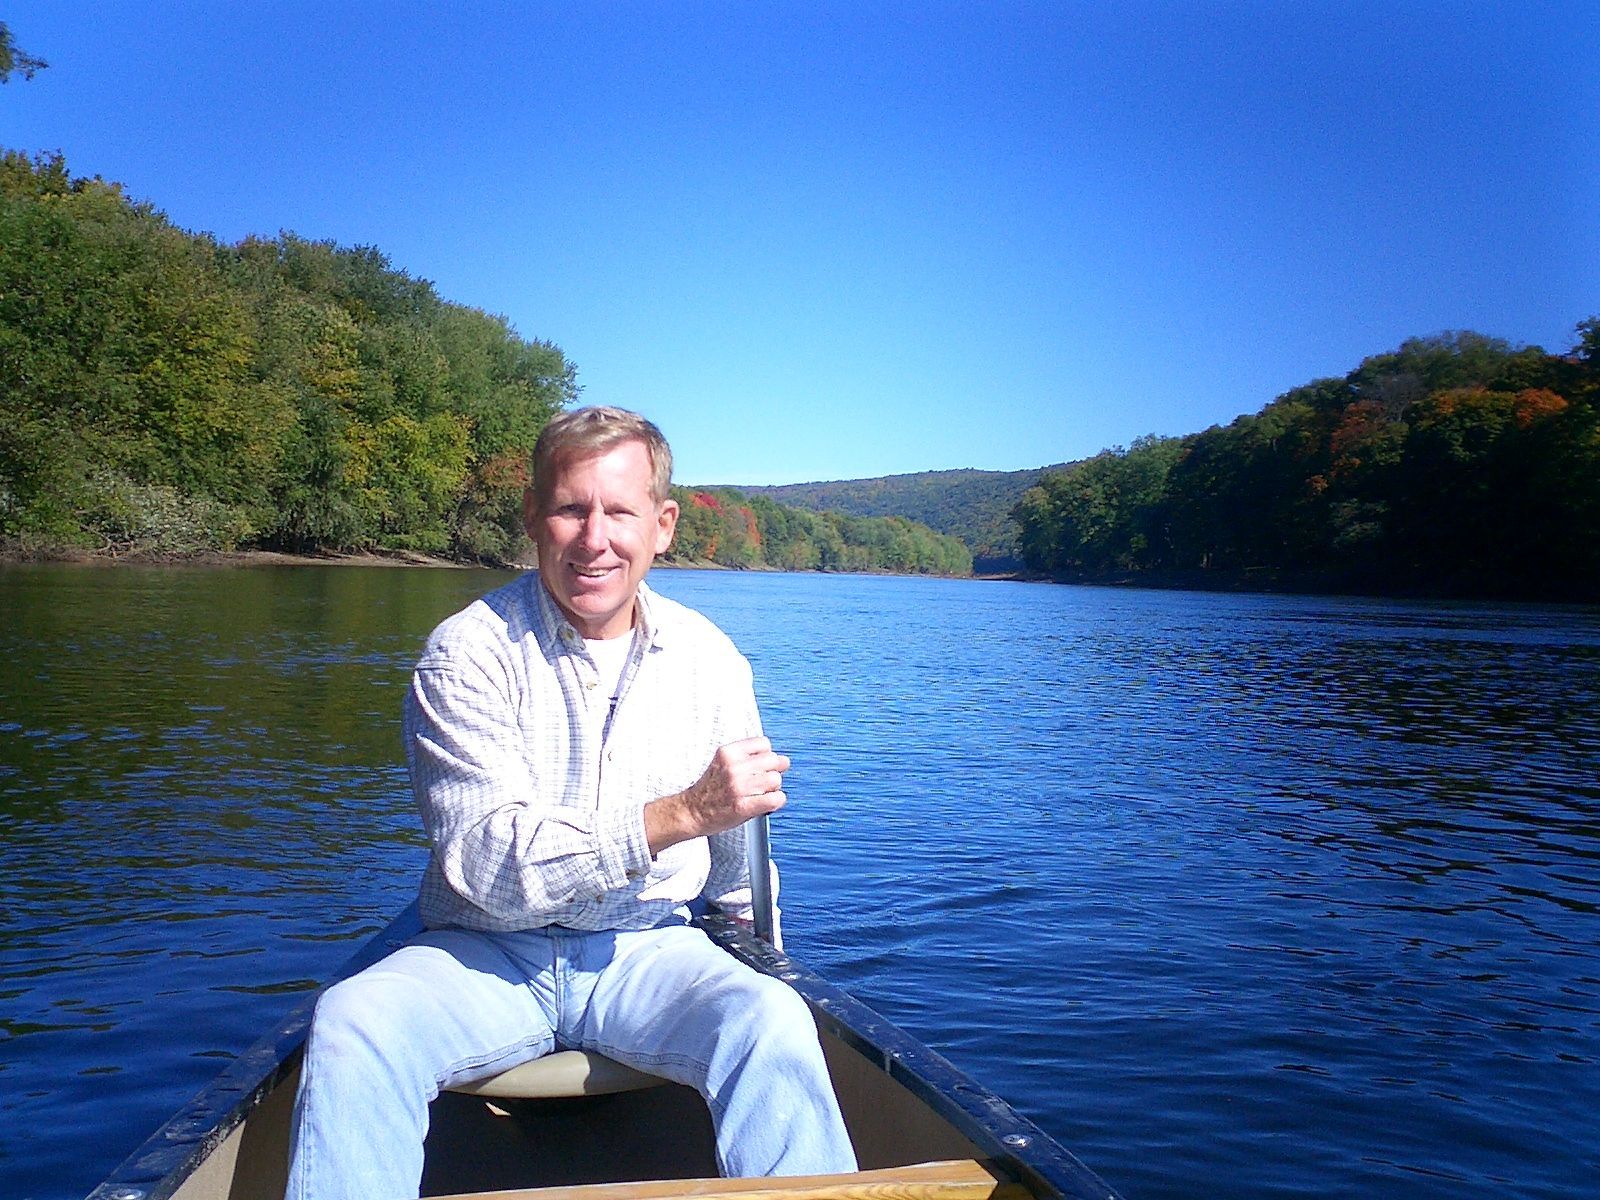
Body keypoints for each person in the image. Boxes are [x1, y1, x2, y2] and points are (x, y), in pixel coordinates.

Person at [285, 407, 857, 1200]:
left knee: (772, 1022)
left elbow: (736, 865)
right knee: (354, 1024)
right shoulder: (467, 653)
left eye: (620, 511)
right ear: (533, 518)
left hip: (647, 946)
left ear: (662, 526)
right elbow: (488, 864)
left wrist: (763, 949)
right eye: (570, 508)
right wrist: (676, 814)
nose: (596, 538)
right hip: (484, 949)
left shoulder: (711, 661)